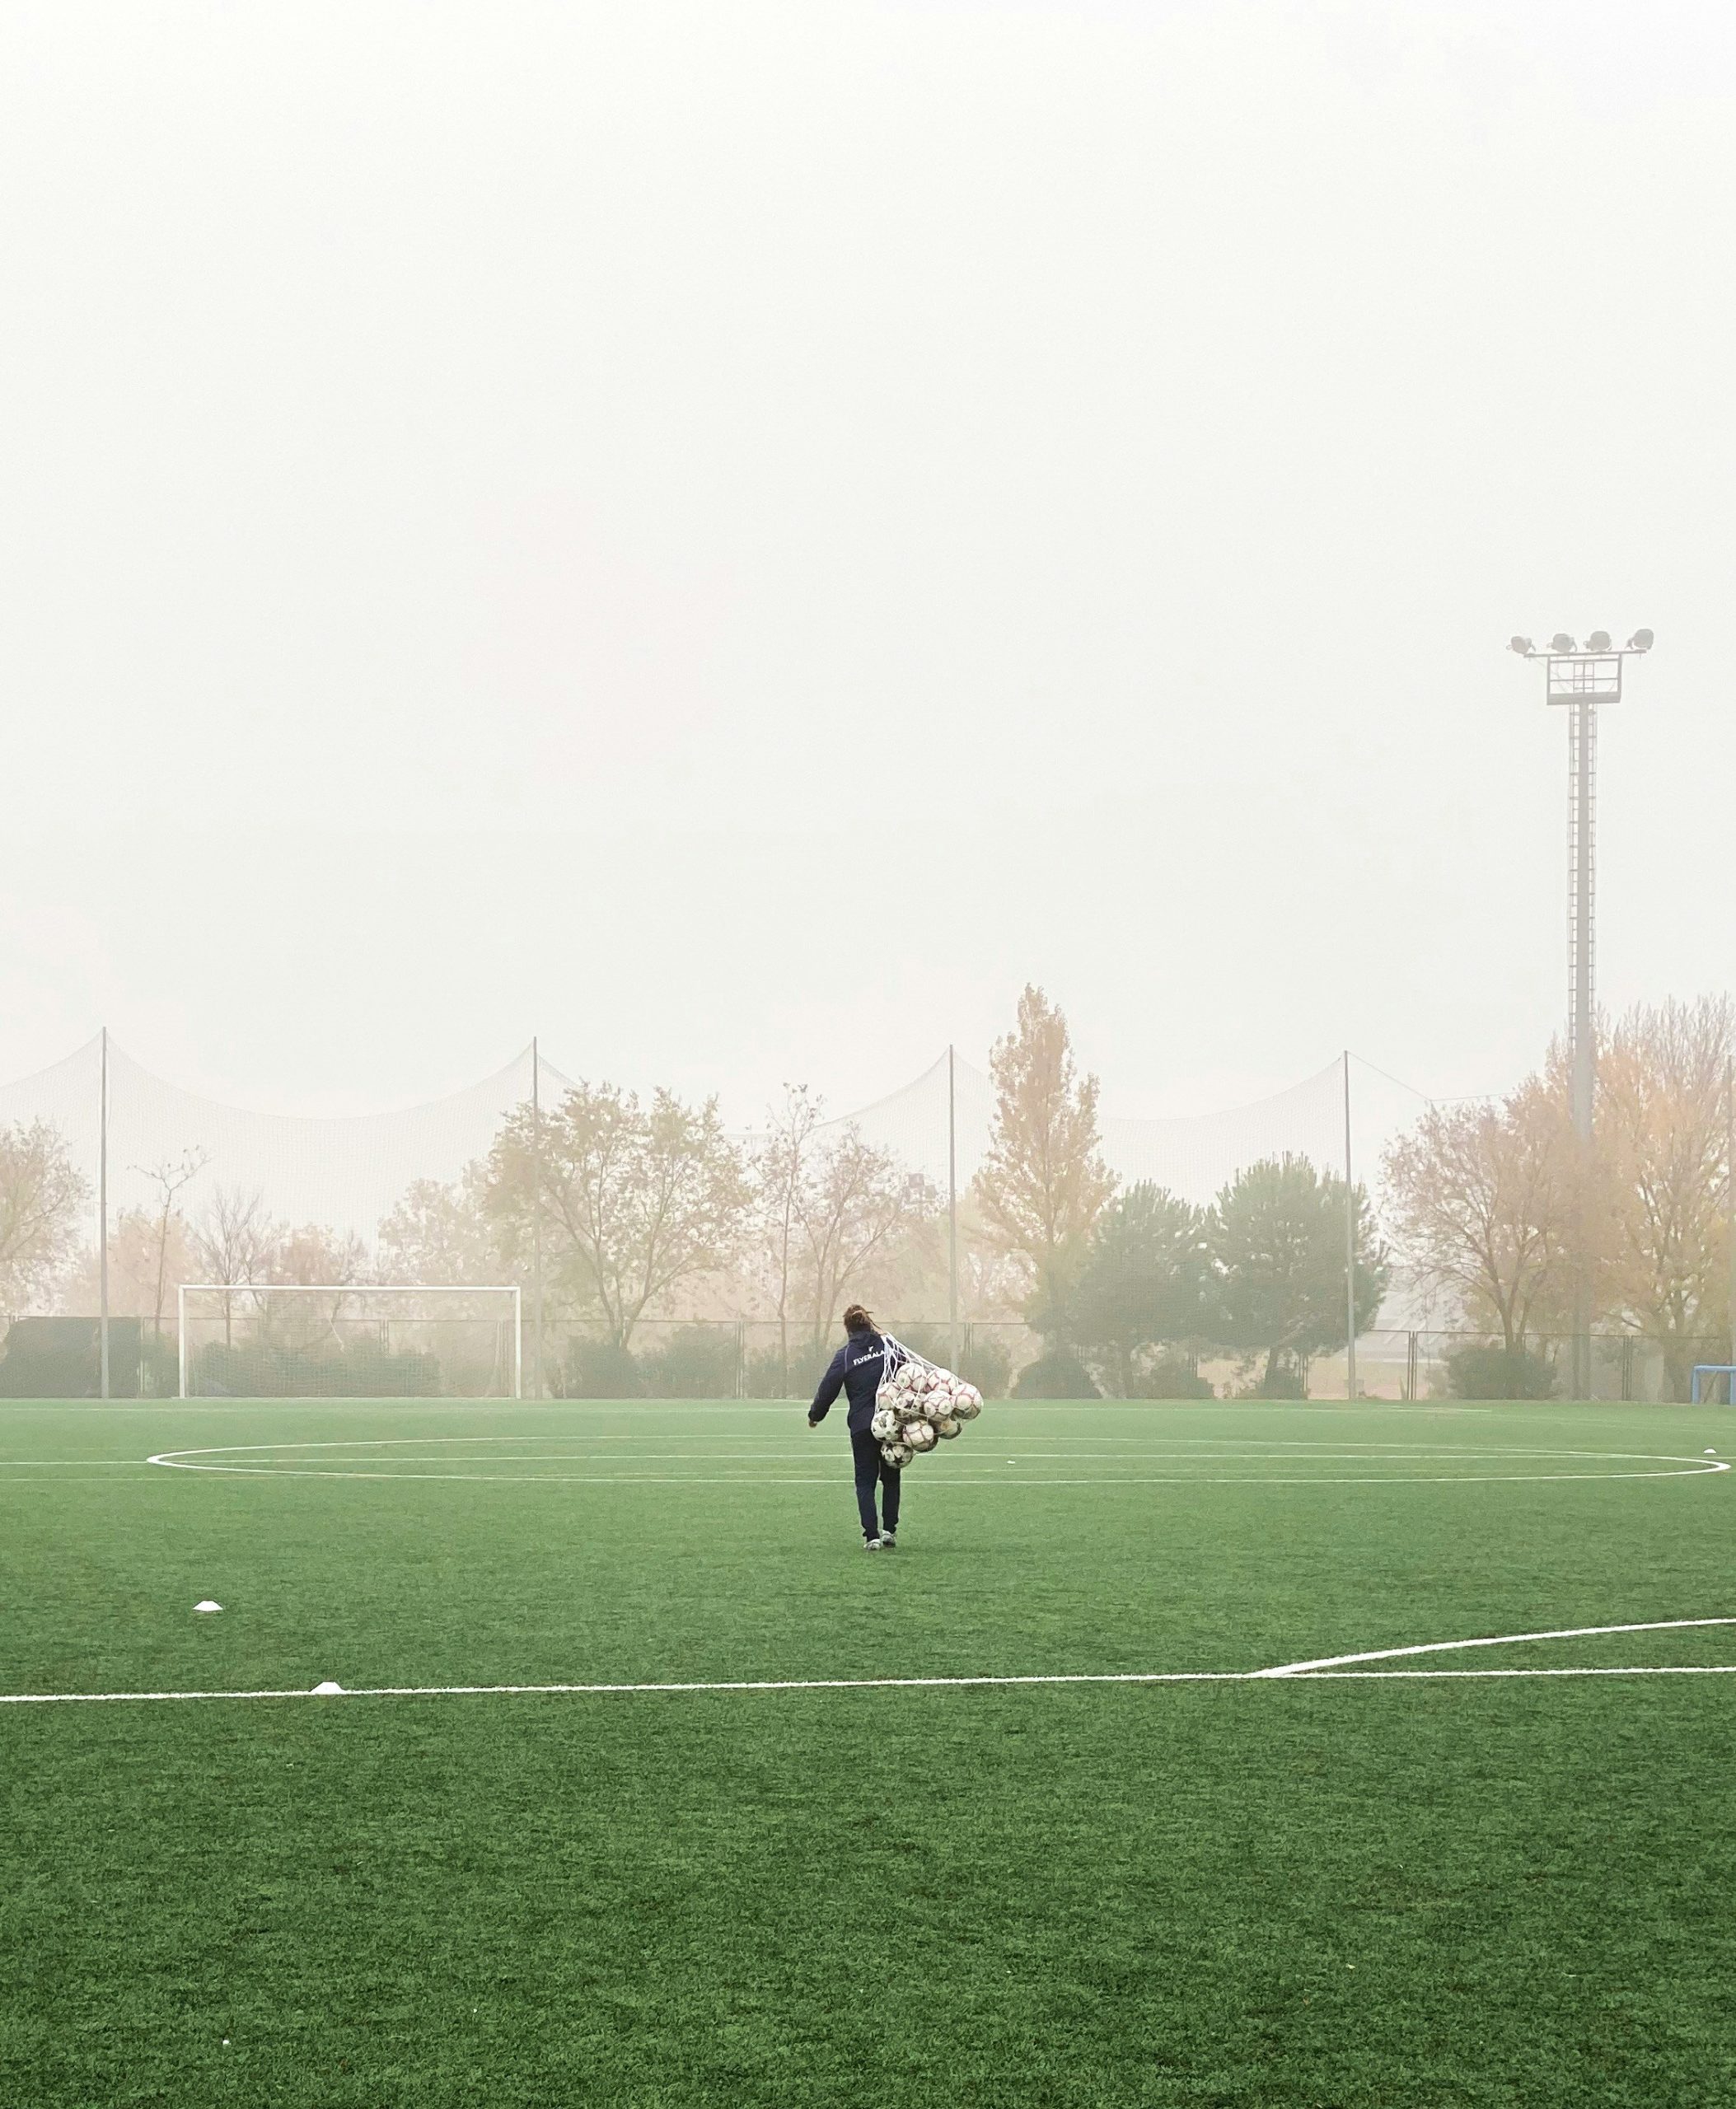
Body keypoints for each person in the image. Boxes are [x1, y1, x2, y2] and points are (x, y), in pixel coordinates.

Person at [807, 1303, 903, 1550]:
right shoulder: (889, 1346)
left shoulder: (846, 1355)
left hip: (862, 1426)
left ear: (847, 1329)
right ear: (869, 1323)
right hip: (891, 1422)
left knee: (865, 1481)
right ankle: (889, 1531)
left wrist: (815, 1415)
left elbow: (828, 1387)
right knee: (891, 1477)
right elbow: (909, 1373)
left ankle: (871, 1536)